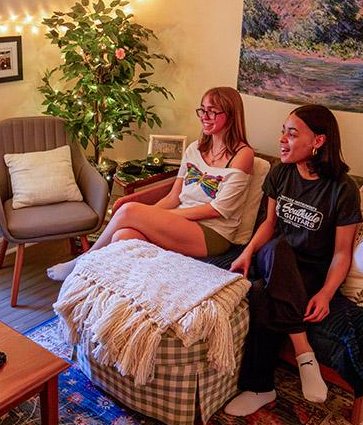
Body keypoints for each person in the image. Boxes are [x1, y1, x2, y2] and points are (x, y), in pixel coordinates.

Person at [224, 104, 362, 416]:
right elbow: (269, 225)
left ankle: (260, 388)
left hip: (311, 271)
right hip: (273, 257)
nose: (282, 139)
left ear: (318, 141)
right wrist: (246, 253)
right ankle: (304, 353)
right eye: (282, 132)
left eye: (292, 133)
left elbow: (342, 251)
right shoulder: (281, 173)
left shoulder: (342, 189)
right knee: (277, 247)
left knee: (261, 293)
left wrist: (326, 293)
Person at [47, 86, 254, 281]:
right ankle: (119, 292)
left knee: (129, 211)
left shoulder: (242, 155)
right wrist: (149, 217)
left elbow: (217, 209)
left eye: (212, 112)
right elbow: (174, 197)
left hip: (212, 233)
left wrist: (156, 216)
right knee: (123, 234)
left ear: (230, 115)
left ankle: (82, 261)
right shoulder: (195, 148)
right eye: (202, 110)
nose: (204, 117)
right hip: (181, 223)